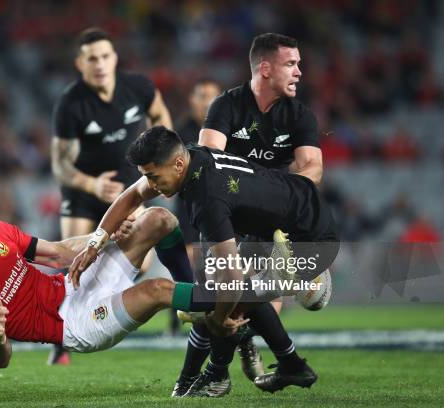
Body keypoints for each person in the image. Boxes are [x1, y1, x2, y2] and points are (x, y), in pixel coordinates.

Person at [70, 126, 339, 395]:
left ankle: (216, 377)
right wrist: (96, 242)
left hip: (311, 240)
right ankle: (288, 364)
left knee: (224, 305)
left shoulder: (207, 198)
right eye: (146, 176)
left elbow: (231, 280)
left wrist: (218, 320)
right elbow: (133, 195)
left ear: (177, 164)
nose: (151, 185)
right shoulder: (191, 156)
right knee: (220, 297)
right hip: (276, 226)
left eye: (153, 176)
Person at [0, 190, 242, 369]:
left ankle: (201, 307)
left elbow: (57, 253)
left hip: (73, 284)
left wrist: (106, 236)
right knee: (156, 290)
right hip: (75, 324)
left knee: (157, 218)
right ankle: (244, 293)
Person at [182, 32, 326, 396]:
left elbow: (312, 169)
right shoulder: (226, 106)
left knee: (242, 303)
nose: (299, 72)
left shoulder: (300, 115)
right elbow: (210, 160)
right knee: (227, 298)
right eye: (291, 64)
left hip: (271, 219)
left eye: (299, 64)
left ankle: (217, 370)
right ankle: (217, 370)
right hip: (226, 215)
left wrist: (274, 201)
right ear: (265, 68)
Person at [50, 27, 173, 365]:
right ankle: (60, 335)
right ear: (80, 63)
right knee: (68, 261)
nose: (100, 64)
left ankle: (103, 309)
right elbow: (60, 166)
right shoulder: (70, 105)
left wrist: (162, 152)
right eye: (92, 58)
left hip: (126, 190)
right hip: (83, 191)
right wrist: (91, 185)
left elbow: (161, 117)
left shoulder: (139, 88)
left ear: (114, 58)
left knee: (144, 259)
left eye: (105, 56)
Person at [166, 78, 221, 336]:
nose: (208, 101)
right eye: (203, 95)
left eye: (213, 95)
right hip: (188, 205)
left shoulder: (226, 128)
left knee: (212, 263)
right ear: (192, 101)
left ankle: (208, 313)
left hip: (218, 205)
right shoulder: (181, 131)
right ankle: (179, 315)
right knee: (189, 260)